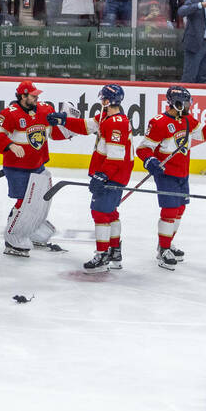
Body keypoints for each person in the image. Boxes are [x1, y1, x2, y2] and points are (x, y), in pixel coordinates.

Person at [138, 86, 206, 269]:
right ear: (177, 103)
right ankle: (163, 250)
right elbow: (143, 148)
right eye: (187, 101)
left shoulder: (188, 118)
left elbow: (202, 134)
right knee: (169, 211)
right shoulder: (158, 123)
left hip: (183, 172)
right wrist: (150, 160)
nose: (190, 105)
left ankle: (165, 244)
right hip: (166, 174)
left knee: (180, 209)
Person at [55, 84, 132, 273]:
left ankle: (102, 255)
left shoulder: (116, 122)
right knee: (110, 213)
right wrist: (64, 120)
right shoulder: (107, 117)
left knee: (99, 213)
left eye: (102, 99)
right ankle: (114, 252)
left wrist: (102, 175)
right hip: (113, 174)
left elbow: (115, 155)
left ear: (107, 100)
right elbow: (85, 126)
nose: (101, 102)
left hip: (112, 175)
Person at [0, 80, 69, 257]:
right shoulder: (9, 114)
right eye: (33, 95)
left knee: (38, 202)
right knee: (24, 202)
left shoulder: (44, 109)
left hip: (38, 165)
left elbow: (53, 133)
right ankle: (13, 238)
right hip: (17, 168)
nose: (37, 97)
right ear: (23, 96)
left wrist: (70, 127)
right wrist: (9, 145)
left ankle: (30, 230)